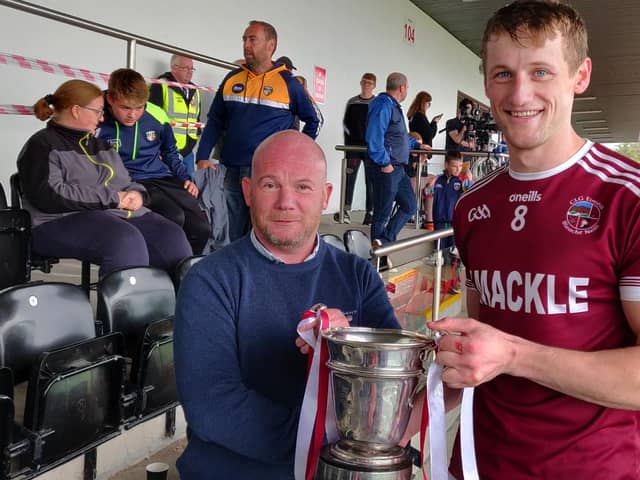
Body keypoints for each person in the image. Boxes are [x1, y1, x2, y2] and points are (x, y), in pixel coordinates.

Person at [428, 1, 640, 478]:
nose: (519, 93)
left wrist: (514, 355)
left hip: (593, 468)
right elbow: (482, 336)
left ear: (579, 76)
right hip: (480, 462)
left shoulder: (627, 198)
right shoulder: (471, 207)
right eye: (502, 74)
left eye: (540, 71)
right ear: (485, 81)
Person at [174, 130, 401, 479]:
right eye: (269, 185)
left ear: (325, 196)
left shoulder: (358, 275)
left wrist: (349, 345)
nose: (286, 202)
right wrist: (330, 440)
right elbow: (213, 407)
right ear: (248, 192)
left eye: (303, 187)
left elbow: (388, 388)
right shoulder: (209, 281)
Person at [17, 79, 192, 277]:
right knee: (124, 240)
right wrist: (113, 198)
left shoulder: (101, 146)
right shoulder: (42, 145)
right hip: (56, 221)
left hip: (111, 215)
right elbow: (49, 194)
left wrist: (138, 194)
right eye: (98, 111)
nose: (101, 118)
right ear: (76, 111)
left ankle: (176, 305)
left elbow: (126, 182)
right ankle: (124, 307)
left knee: (171, 237)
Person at [195, 20, 321, 242]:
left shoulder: (288, 84)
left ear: (271, 45)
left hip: (266, 173)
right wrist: (202, 156)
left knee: (262, 232)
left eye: (252, 39)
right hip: (230, 170)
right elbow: (215, 119)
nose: (246, 45)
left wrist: (295, 155)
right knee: (229, 231)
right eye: (244, 39)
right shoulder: (232, 78)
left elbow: (313, 120)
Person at [97, 68, 209, 255]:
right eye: (125, 108)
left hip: (160, 177)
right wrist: (48, 102)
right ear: (110, 99)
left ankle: (184, 274)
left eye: (139, 108)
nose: (132, 115)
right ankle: (155, 274)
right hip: (124, 181)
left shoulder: (157, 114)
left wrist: (185, 178)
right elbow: (69, 103)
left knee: (200, 227)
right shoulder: (95, 113)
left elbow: (170, 152)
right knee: (174, 217)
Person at [365, 72, 430, 263]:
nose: (407, 91)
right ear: (402, 88)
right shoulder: (383, 104)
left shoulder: (394, 107)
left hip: (398, 169)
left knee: (410, 205)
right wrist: (384, 163)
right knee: (382, 214)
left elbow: (398, 137)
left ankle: (385, 244)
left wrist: (416, 145)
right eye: (407, 87)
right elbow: (374, 137)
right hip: (387, 168)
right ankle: (378, 259)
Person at [148, 54, 202, 176]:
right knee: (168, 187)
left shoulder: (196, 90)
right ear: (174, 68)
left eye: (191, 69)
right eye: (185, 68)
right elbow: (152, 119)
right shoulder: (161, 85)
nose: (190, 72)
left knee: (189, 188)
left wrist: (194, 138)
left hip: (188, 151)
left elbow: (196, 118)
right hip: (167, 149)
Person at [336, 72, 377, 225]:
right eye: (364, 82)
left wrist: (372, 141)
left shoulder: (377, 103)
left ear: (374, 86)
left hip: (370, 148)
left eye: (370, 83)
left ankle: (370, 213)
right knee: (349, 179)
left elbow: (379, 125)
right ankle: (345, 210)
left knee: (370, 181)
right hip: (353, 147)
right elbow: (345, 123)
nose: (366, 85)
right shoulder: (352, 102)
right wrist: (351, 141)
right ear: (361, 83)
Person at [431, 150, 469, 263]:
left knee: (455, 258)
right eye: (454, 166)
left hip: (455, 225)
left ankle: (454, 280)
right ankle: (440, 279)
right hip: (439, 224)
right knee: (439, 257)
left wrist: (469, 180)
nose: (458, 169)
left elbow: (471, 192)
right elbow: (426, 193)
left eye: (460, 166)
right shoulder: (438, 179)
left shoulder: (462, 181)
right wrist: (429, 185)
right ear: (446, 165)